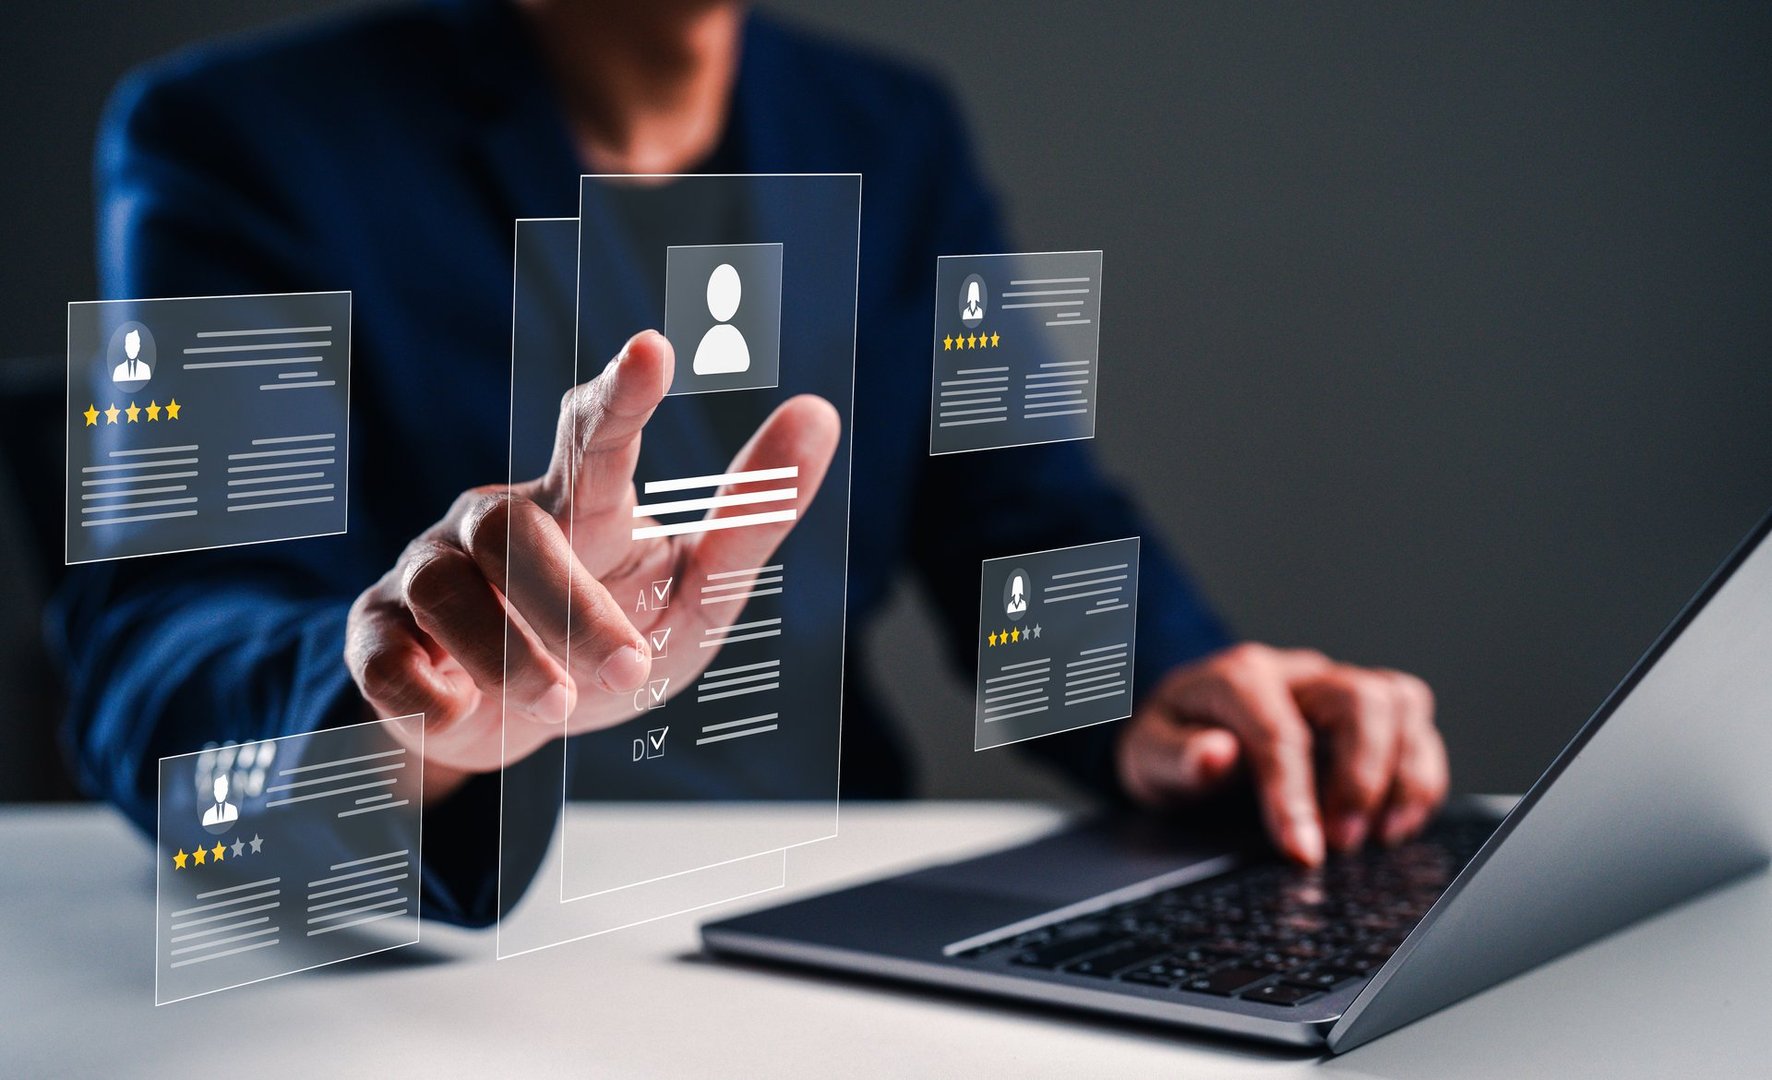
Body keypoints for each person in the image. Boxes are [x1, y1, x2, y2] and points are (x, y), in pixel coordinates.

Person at [54, 0, 1447, 926]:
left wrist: (1176, 699)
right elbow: (161, 641)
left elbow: (1018, 509)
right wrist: (402, 720)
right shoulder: (244, 140)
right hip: (451, 947)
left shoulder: (889, 132)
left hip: (814, 912)